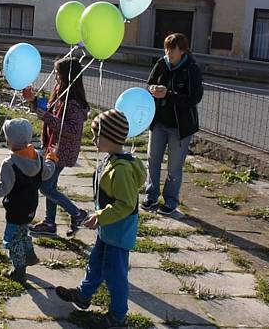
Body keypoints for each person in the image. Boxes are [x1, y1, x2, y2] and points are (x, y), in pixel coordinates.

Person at [56, 109, 146, 328]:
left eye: (98, 136)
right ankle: (84, 295)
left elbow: (125, 204)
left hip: (118, 232)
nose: (94, 140)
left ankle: (117, 316)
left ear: (112, 138)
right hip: (108, 230)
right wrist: (100, 217)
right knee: (95, 264)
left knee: (115, 276)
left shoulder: (121, 170)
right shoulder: (111, 160)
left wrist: (101, 215)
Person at [0, 118, 57, 283]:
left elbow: (2, 189)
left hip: (16, 210)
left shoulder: (10, 164)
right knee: (22, 231)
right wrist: (51, 159)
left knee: (10, 240)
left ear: (9, 141)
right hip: (31, 207)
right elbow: (47, 173)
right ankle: (29, 256)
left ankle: (19, 270)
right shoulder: (38, 157)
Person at [26, 57, 90, 237]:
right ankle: (49, 222)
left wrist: (45, 116)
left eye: (58, 75)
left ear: (69, 78)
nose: (55, 78)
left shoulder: (73, 103)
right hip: (53, 147)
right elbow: (48, 109)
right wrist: (33, 101)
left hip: (62, 151)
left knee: (46, 188)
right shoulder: (60, 92)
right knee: (50, 185)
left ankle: (77, 213)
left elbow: (73, 129)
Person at [142, 33, 203, 215]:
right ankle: (151, 196)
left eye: (172, 49)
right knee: (153, 160)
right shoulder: (161, 64)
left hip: (180, 127)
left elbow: (194, 98)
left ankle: (170, 201)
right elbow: (149, 83)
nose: (168, 52)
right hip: (159, 122)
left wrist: (168, 94)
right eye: (166, 48)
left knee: (174, 166)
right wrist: (152, 89)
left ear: (182, 50)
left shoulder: (191, 69)